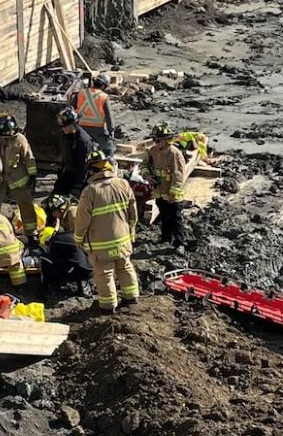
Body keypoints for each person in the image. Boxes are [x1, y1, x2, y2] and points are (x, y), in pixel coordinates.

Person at [73, 147, 139, 313]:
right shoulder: (123, 184)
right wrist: (130, 230)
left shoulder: (90, 192)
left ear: (91, 170)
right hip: (123, 239)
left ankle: (108, 306)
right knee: (125, 266)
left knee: (104, 273)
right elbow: (133, 213)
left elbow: (82, 221)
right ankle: (131, 297)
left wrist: (78, 238)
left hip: (101, 244)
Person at [36, 194, 92, 294]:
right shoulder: (66, 214)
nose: (53, 216)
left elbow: (77, 238)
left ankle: (83, 281)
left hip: (86, 251)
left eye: (54, 212)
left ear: (60, 210)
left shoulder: (73, 215)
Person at [146, 123, 187, 246]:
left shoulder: (175, 154)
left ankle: (180, 243)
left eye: (158, 140)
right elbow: (144, 165)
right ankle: (165, 238)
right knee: (164, 217)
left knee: (176, 219)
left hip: (172, 195)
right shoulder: (152, 152)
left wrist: (172, 194)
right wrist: (147, 175)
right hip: (160, 192)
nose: (155, 143)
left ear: (165, 141)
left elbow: (178, 176)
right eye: (154, 140)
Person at [69, 73, 116, 156]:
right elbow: (109, 116)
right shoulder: (104, 96)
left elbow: (72, 107)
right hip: (97, 129)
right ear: (104, 86)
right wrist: (111, 131)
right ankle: (109, 162)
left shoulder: (81, 92)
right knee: (108, 147)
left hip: (80, 127)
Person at [54, 106, 93, 197]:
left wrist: (78, 185)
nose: (64, 129)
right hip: (68, 172)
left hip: (79, 178)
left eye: (66, 126)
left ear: (74, 124)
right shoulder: (65, 135)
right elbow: (65, 153)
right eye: (62, 126)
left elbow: (84, 165)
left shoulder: (84, 141)